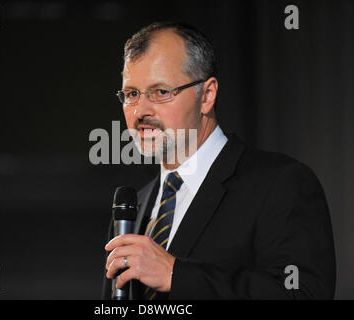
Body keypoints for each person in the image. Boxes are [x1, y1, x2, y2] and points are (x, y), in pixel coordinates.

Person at [101, 22, 336, 299]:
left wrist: (177, 275)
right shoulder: (134, 206)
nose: (141, 111)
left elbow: (304, 293)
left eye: (161, 92)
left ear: (207, 96)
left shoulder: (280, 183)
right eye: (131, 94)